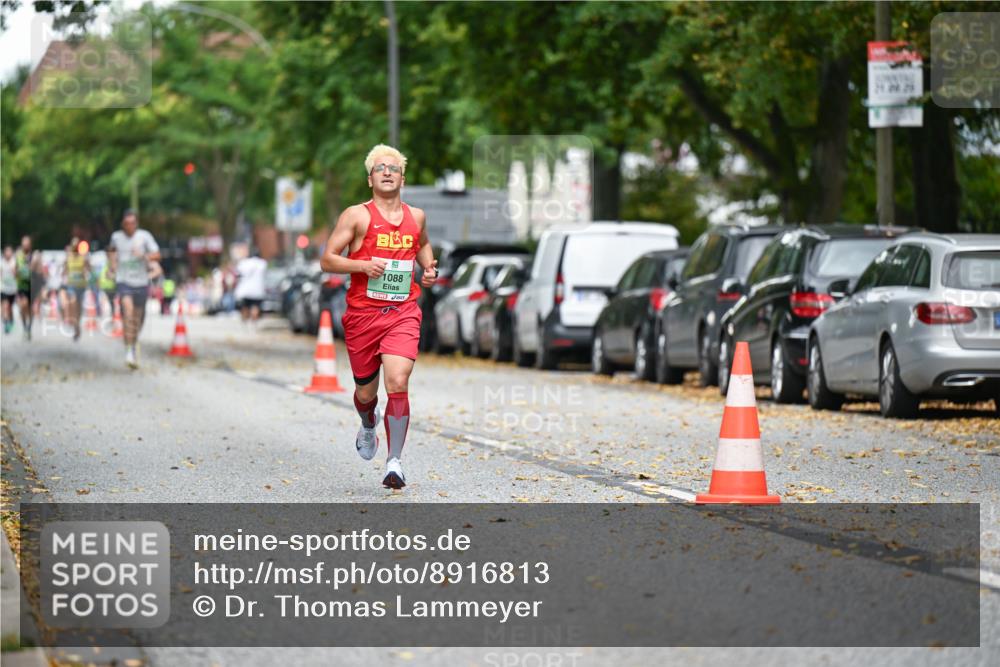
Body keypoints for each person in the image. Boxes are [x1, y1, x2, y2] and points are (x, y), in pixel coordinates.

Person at [320, 144, 437, 489]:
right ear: (370, 179)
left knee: (398, 381)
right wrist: (361, 265)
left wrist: (428, 268)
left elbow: (423, 245)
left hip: (402, 312)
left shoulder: (416, 217)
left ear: (403, 177)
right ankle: (368, 421)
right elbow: (328, 259)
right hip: (362, 317)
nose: (387, 172)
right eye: (380, 168)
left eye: (394, 168)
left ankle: (395, 461)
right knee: (366, 393)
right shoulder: (356, 216)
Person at [108, 210, 161, 369]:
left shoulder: (145, 236)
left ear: (136, 223)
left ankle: (133, 341)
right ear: (122, 224)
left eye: (132, 223)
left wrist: (144, 256)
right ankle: (129, 351)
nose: (129, 226)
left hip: (141, 282)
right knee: (128, 311)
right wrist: (112, 265)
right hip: (123, 280)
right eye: (126, 223)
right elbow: (111, 251)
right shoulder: (116, 237)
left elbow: (157, 255)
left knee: (138, 319)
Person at [63, 237, 91, 341]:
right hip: (71, 285)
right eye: (73, 245)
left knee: (78, 307)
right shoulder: (68, 257)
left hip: (81, 286)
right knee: (73, 304)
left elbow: (89, 269)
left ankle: (77, 325)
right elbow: (65, 270)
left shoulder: (83, 257)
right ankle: (75, 326)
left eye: (76, 245)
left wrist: (86, 268)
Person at [235, 248, 267, 331]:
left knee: (245, 307)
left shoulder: (244, 263)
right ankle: (254, 323)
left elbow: (238, 274)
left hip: (245, 289)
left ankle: (245, 322)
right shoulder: (262, 263)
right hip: (257, 290)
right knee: (255, 307)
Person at [14, 236, 36, 340]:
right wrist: (16, 273)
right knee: (22, 306)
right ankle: (25, 327)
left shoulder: (34, 256)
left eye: (27, 243)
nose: (25, 245)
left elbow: (38, 271)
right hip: (21, 285)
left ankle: (29, 327)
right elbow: (15, 269)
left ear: (30, 245)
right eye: (24, 243)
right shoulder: (18, 255)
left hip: (31, 286)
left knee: (30, 308)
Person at [1, 246, 16, 334]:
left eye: (10, 251)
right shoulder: (1, 262)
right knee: (5, 306)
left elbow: (16, 274)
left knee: (10, 307)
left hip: (12, 289)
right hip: (3, 288)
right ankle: (6, 323)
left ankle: (11, 320)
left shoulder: (14, 262)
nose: (8, 253)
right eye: (7, 251)